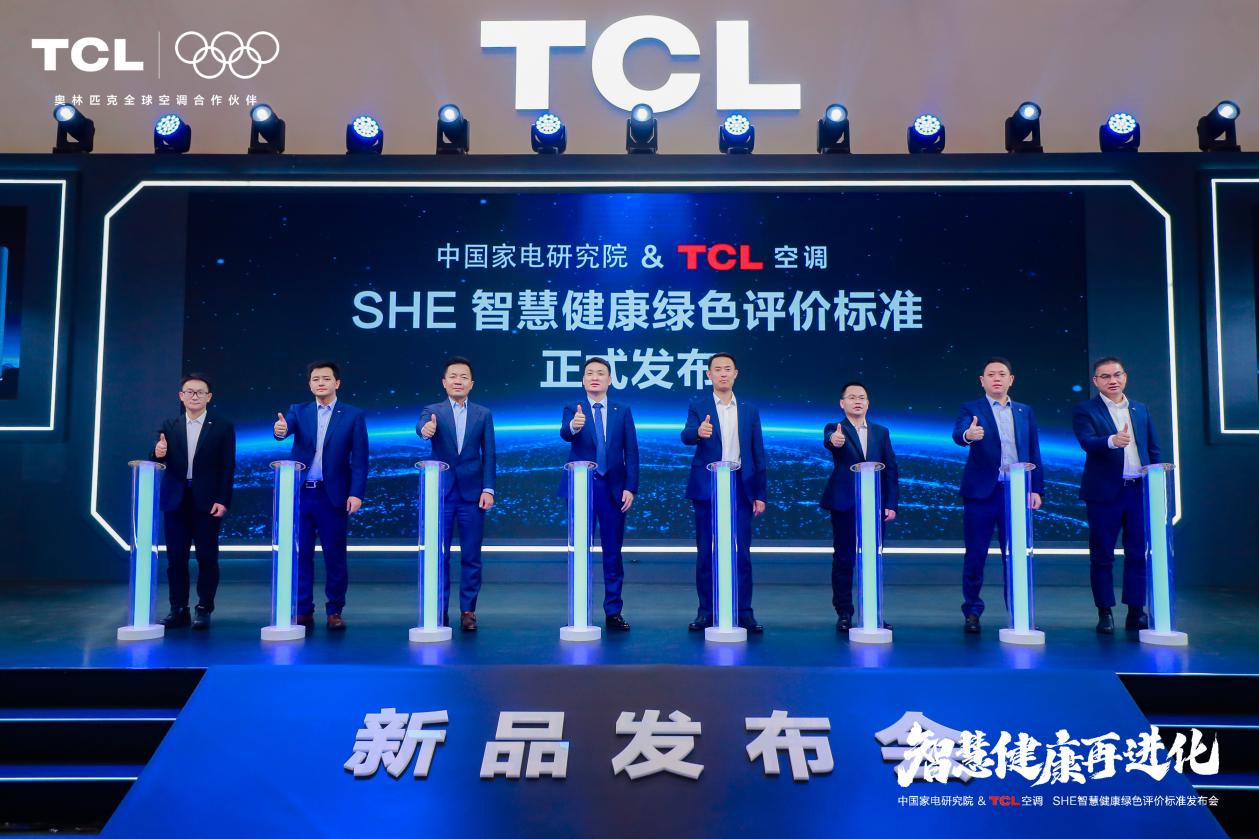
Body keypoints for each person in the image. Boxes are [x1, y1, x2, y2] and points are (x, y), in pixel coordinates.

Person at [273, 361, 368, 631]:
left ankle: (334, 610)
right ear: (309, 384)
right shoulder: (298, 411)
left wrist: (356, 493)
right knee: (300, 553)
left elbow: (360, 460)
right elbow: (284, 430)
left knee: (334, 556)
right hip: (301, 494)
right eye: (315, 379)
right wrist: (280, 430)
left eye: (326, 378)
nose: (320, 383)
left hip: (333, 496)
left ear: (337, 383)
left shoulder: (353, 415)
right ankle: (303, 609)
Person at [952, 357, 1044, 634]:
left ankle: (1018, 613)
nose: (996, 378)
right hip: (981, 494)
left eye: (1002, 374)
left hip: (1016, 492)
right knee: (975, 555)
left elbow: (1034, 450)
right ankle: (972, 611)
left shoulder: (1024, 411)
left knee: (1015, 555)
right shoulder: (971, 408)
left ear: (1010, 380)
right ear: (982, 381)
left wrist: (1036, 488)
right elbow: (958, 434)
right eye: (991, 374)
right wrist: (969, 435)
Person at [1072, 356, 1161, 634]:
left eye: (1117, 375)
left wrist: (1157, 479)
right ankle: (1105, 612)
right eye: (1106, 376)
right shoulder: (1086, 410)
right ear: (1096, 381)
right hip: (1104, 494)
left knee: (1137, 553)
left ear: (1125, 377)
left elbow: (1153, 448)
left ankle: (1136, 612)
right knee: (1102, 555)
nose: (1113, 380)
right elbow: (1087, 442)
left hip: (1138, 492)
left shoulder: (1140, 409)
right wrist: (1112, 441)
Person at [681, 352, 768, 633]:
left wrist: (760, 493)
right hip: (707, 487)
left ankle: (744, 612)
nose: (722, 373)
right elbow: (685, 435)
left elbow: (758, 452)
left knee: (741, 553)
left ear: (735, 374)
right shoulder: (699, 406)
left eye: (727, 369)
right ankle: (706, 611)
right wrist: (698, 432)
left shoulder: (749, 410)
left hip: (740, 486)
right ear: (709, 375)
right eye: (717, 369)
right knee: (706, 553)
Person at [558, 357, 640, 631]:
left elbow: (631, 452)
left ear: (610, 380)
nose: (595, 377)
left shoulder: (622, 410)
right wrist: (575, 425)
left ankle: (613, 611)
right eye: (590, 373)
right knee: (580, 550)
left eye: (600, 373)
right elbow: (565, 434)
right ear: (583, 380)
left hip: (613, 489)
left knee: (612, 552)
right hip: (581, 487)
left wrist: (630, 487)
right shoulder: (573, 408)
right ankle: (580, 610)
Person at [151, 373, 236, 631]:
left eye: (200, 392)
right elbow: (157, 459)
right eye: (189, 391)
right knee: (176, 559)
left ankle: (204, 608)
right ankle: (178, 609)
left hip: (207, 502)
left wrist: (223, 499)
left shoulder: (222, 426)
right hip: (175, 501)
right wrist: (157, 453)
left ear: (209, 397)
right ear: (181, 396)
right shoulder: (169, 425)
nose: (194, 396)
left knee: (207, 558)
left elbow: (227, 467)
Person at [417, 356, 496, 632]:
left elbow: (489, 454)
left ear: (471, 383)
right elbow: (422, 428)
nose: (458, 381)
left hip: (473, 496)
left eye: (463, 377)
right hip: (441, 494)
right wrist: (425, 430)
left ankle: (468, 611)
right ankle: (438, 611)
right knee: (439, 556)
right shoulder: (432, 411)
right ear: (444, 382)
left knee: (471, 556)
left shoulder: (483, 414)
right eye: (453, 376)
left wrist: (488, 488)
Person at [820, 381, 899, 632]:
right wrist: (834, 440)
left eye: (862, 397)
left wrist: (890, 503)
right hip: (845, 503)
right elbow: (831, 441)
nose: (857, 401)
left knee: (872, 559)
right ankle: (844, 612)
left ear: (868, 403)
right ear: (842, 403)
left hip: (875, 505)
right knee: (844, 559)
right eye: (852, 397)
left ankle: (873, 613)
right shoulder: (835, 428)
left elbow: (891, 469)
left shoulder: (881, 432)